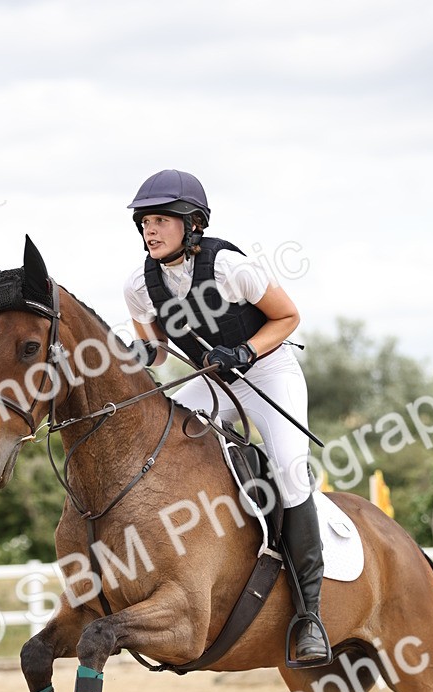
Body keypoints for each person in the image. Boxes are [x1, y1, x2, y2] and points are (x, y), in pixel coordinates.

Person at [122, 167, 329, 664]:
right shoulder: (139, 285)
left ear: (193, 224)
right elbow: (156, 350)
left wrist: (246, 352)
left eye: (160, 221)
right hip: (213, 379)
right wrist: (128, 354)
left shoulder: (229, 267)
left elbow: (288, 316)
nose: (149, 230)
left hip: (268, 371)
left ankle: (310, 615)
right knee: (168, 440)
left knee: (289, 473)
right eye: (144, 222)